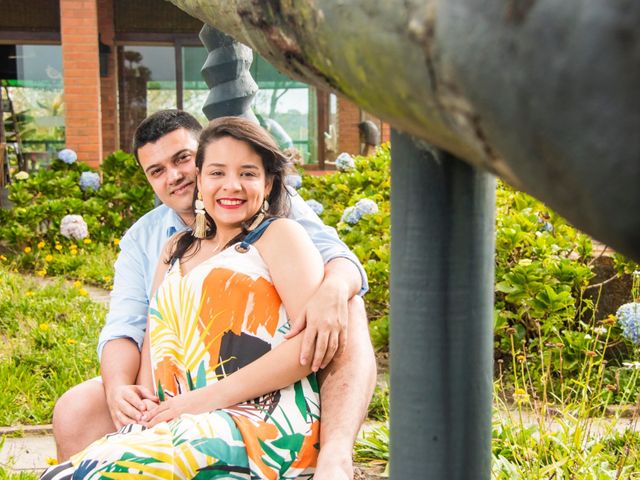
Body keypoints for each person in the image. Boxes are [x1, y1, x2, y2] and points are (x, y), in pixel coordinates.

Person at [52, 110, 376, 479]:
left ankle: (336, 459)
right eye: (156, 171)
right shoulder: (166, 245)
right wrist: (129, 399)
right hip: (184, 407)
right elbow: (134, 331)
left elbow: (318, 319)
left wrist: (334, 287)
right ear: (204, 180)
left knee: (348, 303)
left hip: (256, 414)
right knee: (69, 470)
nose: (174, 176)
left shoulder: (279, 230)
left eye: (181, 160)